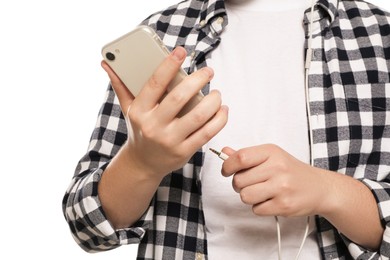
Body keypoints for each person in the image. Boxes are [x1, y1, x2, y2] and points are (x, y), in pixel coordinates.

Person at [62, 0, 390, 259]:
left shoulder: (380, 36)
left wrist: (330, 192)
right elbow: (87, 227)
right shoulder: (166, 33)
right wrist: (142, 162)